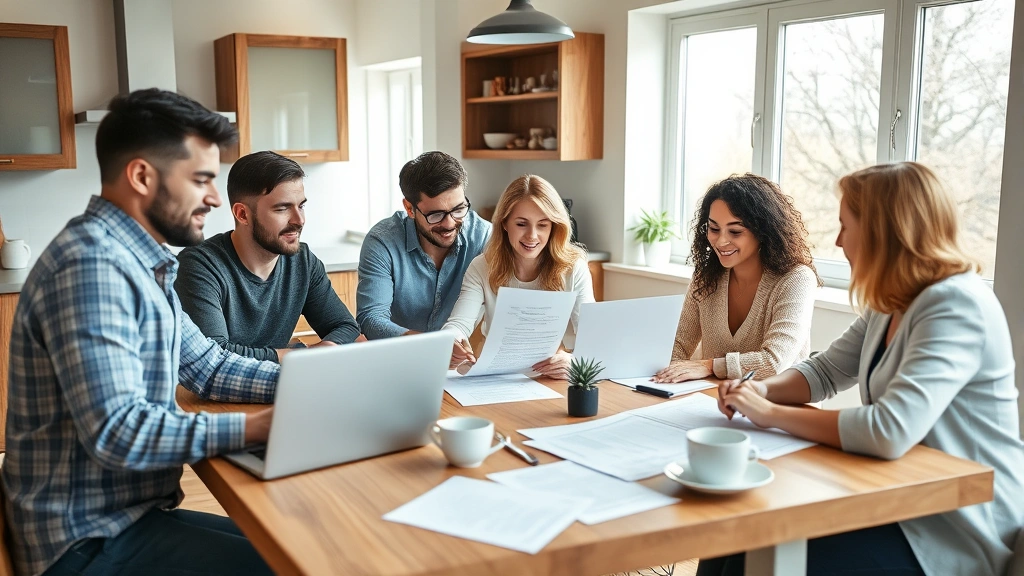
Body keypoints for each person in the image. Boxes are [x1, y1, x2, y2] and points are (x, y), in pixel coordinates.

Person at [1, 89, 277, 576]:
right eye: (201, 179)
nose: (215, 198)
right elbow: (118, 431)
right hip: (82, 542)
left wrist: (314, 380)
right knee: (295, 562)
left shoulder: (142, 261)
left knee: (290, 545)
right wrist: (255, 427)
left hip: (128, 520)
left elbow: (208, 366)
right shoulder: (91, 266)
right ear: (142, 176)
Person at [702, 162, 1024, 575]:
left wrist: (771, 414)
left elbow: (888, 430)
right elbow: (825, 372)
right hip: (897, 497)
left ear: (883, 232)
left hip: (954, 525)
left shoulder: (955, 305)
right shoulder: (891, 300)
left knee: (761, 552)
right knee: (729, 539)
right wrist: (763, 391)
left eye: (845, 226)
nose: (837, 241)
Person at [175, 151, 360, 362]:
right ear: (242, 214)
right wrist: (299, 354)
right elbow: (214, 355)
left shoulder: (303, 261)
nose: (299, 220)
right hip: (211, 393)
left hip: (278, 384)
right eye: (282, 208)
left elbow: (345, 326)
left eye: (301, 205)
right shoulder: (199, 266)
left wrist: (320, 349)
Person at [654, 174, 820, 383]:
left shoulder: (796, 279)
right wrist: (667, 374)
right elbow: (677, 346)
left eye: (735, 231)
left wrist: (708, 365)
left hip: (780, 407)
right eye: (714, 229)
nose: (721, 241)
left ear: (763, 232)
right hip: (717, 400)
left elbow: (773, 362)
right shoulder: (706, 275)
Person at [443, 174, 593, 380]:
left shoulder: (574, 267)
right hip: (496, 379)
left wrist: (574, 362)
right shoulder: (482, 266)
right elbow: (458, 324)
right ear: (504, 224)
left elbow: (592, 338)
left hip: (552, 379)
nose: (532, 235)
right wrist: (452, 342)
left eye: (542, 225)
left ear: (554, 227)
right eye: (521, 224)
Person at [357, 151, 491, 339]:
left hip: (462, 362)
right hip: (398, 358)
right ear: (410, 208)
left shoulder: (484, 236)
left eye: (458, 209)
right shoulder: (382, 242)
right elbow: (370, 319)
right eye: (436, 215)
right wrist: (431, 346)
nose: (449, 223)